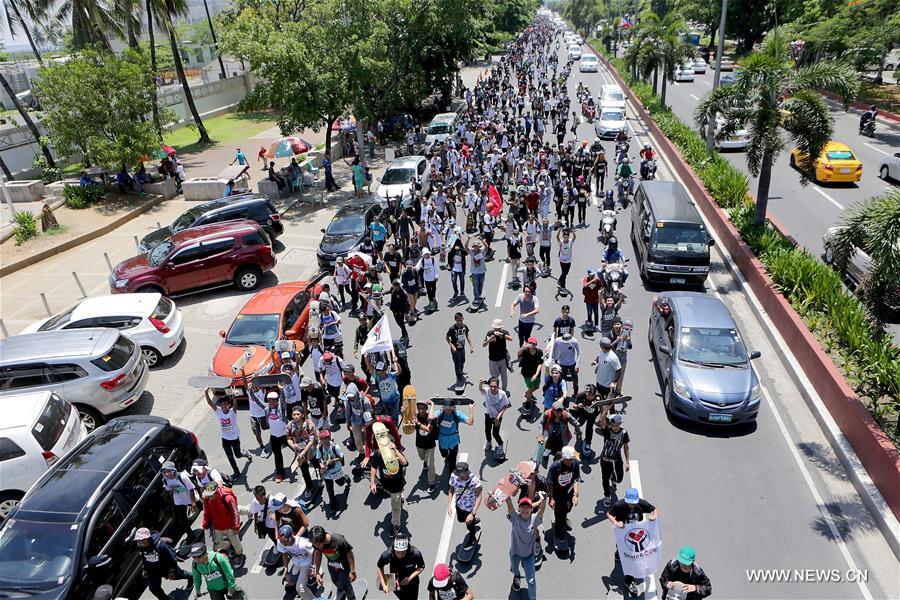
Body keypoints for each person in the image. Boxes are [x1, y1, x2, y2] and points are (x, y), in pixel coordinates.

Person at [607, 487, 659, 596]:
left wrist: (654, 516)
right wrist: (616, 523)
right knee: (621, 547)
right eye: (630, 503)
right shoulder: (619, 505)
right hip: (623, 532)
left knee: (633, 557)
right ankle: (618, 554)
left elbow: (654, 509)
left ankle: (628, 580)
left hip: (637, 533)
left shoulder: (642, 503)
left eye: (633, 503)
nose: (632, 505)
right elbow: (609, 514)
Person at [204, 391, 251, 480]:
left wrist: (234, 397)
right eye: (222, 405)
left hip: (234, 438)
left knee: (238, 455)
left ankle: (245, 453)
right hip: (225, 439)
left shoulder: (232, 412)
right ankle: (236, 472)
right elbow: (210, 403)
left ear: (229, 405)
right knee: (230, 457)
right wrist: (206, 392)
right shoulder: (218, 411)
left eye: (225, 404)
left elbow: (235, 405)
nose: (223, 406)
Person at [506, 495, 546, 599]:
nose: (525, 509)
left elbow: (541, 511)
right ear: (519, 508)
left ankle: (533, 598)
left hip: (529, 555)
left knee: (531, 580)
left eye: (527, 507)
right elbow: (509, 505)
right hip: (515, 553)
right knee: (515, 569)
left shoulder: (534, 519)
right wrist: (506, 494)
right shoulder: (515, 518)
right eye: (522, 507)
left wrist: (544, 500)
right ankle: (517, 576)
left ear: (531, 509)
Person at [135, 527, 191, 600]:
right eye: (139, 540)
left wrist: (172, 571)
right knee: (154, 588)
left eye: (143, 540)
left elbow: (171, 558)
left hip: (166, 567)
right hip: (153, 570)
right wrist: (145, 569)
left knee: (179, 575)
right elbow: (144, 558)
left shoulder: (160, 545)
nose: (141, 542)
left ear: (148, 538)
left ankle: (192, 576)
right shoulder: (140, 546)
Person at [370, 438, 409, 536]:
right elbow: (374, 467)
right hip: (386, 485)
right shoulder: (378, 454)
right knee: (394, 496)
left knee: (395, 507)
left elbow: (405, 463)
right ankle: (401, 498)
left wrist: (395, 450)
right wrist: (372, 483)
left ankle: (396, 524)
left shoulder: (396, 453)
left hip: (397, 485)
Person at [200, 482, 244, 566]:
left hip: (230, 526)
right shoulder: (207, 499)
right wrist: (204, 525)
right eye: (208, 494)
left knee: (236, 543)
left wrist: (236, 527)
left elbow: (235, 513)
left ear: (217, 491)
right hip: (217, 526)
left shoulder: (228, 498)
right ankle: (228, 546)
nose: (209, 496)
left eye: (211, 494)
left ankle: (239, 554)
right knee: (217, 543)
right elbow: (206, 513)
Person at [309, 526, 358, 600]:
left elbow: (349, 553)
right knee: (335, 580)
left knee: (344, 583)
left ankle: (352, 598)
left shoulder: (339, 540)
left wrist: (352, 571)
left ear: (323, 540)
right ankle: (341, 590)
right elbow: (318, 553)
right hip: (332, 564)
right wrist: (317, 573)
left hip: (344, 565)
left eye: (317, 545)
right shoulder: (317, 543)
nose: (315, 546)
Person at [546, 446, 580, 546]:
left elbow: (576, 479)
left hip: (569, 492)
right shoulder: (555, 466)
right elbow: (551, 483)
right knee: (559, 512)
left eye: (571, 459)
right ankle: (559, 529)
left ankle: (563, 519)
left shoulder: (575, 464)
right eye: (567, 460)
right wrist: (551, 498)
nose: (569, 462)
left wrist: (576, 495)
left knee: (567, 509)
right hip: (558, 493)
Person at [377, 534, 426, 600]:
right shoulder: (388, 554)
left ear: (407, 549)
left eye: (403, 552)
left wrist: (409, 578)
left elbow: (421, 567)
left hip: (412, 581)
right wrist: (383, 584)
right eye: (397, 552)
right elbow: (379, 566)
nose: (400, 555)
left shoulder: (415, 553)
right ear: (394, 549)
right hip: (395, 580)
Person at [598, 406, 630, 506]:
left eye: (616, 425)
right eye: (612, 425)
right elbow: (601, 421)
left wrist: (627, 461)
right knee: (605, 478)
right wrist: (606, 410)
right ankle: (607, 495)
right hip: (605, 459)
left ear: (620, 424)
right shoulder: (607, 431)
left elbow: (626, 447)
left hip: (617, 459)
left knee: (619, 479)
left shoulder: (624, 433)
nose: (614, 427)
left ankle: (613, 478)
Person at [447, 461, 482, 548]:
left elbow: (479, 497)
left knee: (469, 525)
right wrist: (449, 506)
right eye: (458, 474)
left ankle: (472, 539)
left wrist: (472, 514)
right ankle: (473, 522)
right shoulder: (454, 476)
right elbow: (451, 490)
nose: (460, 477)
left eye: (462, 475)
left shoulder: (474, 481)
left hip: (470, 508)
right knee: (461, 520)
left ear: (467, 472)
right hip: (459, 505)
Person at [160, 460, 198, 542]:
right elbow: (170, 491)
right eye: (165, 472)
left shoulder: (182, 476)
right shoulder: (165, 480)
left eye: (169, 471)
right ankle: (191, 536)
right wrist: (174, 502)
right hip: (179, 501)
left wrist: (193, 502)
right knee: (183, 520)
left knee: (203, 508)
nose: (167, 474)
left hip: (189, 497)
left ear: (173, 470)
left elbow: (190, 489)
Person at [277, 524, 316, 599]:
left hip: (307, 563)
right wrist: (286, 569)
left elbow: (315, 552)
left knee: (300, 589)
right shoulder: (281, 542)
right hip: (297, 563)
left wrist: (313, 567)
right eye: (281, 542)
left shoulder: (303, 543)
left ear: (292, 535)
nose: (283, 544)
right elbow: (284, 554)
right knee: (291, 580)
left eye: (285, 541)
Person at [316, 429, 350, 513]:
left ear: (329, 437)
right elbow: (319, 458)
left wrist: (334, 460)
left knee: (341, 483)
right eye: (322, 439)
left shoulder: (335, 447)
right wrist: (321, 466)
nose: (324, 440)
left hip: (336, 470)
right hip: (327, 473)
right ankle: (333, 505)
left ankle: (345, 478)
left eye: (326, 438)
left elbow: (341, 457)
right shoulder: (319, 448)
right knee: (330, 490)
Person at [436, 402, 473, 473]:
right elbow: (430, 417)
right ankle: (447, 457)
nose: (448, 411)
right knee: (444, 455)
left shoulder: (457, 414)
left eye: (450, 409)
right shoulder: (439, 413)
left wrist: (471, 409)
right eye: (446, 409)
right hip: (442, 441)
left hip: (454, 441)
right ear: (443, 408)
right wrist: (432, 406)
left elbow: (470, 422)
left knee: (452, 463)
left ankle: (451, 480)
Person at [478, 377, 510, 457]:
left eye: (495, 386)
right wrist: (480, 383)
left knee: (495, 433)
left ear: (498, 386)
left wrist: (498, 417)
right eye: (491, 386)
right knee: (487, 430)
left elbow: (506, 405)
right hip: (488, 414)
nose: (492, 388)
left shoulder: (502, 394)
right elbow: (481, 389)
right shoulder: (487, 391)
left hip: (497, 416)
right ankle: (489, 442)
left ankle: (500, 445)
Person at [265, 391, 289, 482]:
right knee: (277, 455)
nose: (271, 403)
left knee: (297, 449)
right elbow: (258, 402)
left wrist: (282, 391)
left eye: (273, 401)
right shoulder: (267, 409)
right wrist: (251, 392)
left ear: (277, 401)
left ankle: (307, 460)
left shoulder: (281, 408)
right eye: (269, 401)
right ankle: (280, 473)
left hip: (285, 435)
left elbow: (283, 401)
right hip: (274, 436)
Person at [483, 318, 513, 391]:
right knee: (494, 377)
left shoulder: (504, 332)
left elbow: (511, 338)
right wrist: (489, 340)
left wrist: (502, 335)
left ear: (501, 328)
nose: (496, 330)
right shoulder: (490, 333)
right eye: (495, 328)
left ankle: (504, 390)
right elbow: (484, 344)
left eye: (498, 328)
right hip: (493, 360)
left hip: (502, 359)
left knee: (504, 376)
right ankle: (496, 390)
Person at [446, 312, 475, 388]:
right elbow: (447, 337)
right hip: (455, 350)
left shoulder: (464, 326)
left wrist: (471, 346)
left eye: (460, 320)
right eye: (457, 320)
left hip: (462, 348)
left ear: (463, 319)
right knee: (457, 364)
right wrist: (452, 346)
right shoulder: (452, 328)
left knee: (463, 361)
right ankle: (459, 378)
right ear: (455, 320)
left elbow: (467, 335)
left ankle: (460, 372)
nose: (459, 322)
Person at [517, 336, 544, 409]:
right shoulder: (525, 351)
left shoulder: (539, 352)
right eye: (530, 343)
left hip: (536, 373)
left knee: (537, 387)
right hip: (527, 373)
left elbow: (540, 363)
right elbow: (518, 354)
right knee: (531, 387)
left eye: (533, 344)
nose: (532, 345)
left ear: (536, 345)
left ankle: (528, 393)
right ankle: (527, 401)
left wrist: (536, 374)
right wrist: (523, 347)